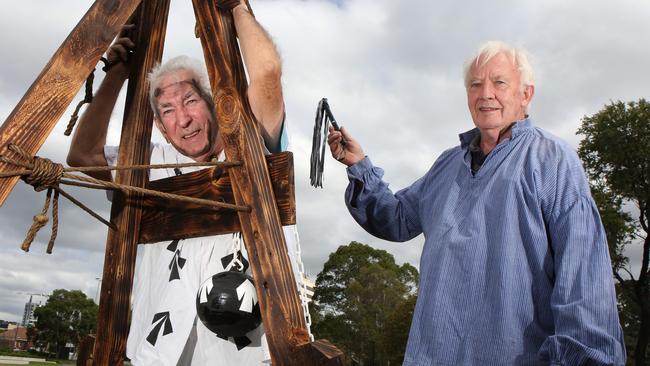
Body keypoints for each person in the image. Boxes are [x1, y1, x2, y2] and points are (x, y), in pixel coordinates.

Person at [327, 41, 626, 365]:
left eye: (499, 82)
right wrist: (359, 165)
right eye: (475, 84)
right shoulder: (446, 165)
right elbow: (396, 218)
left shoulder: (554, 161)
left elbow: (585, 296)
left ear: (525, 95)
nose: (485, 93)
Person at [67, 1, 304, 364]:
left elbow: (268, 72)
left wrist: (238, 8)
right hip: (158, 356)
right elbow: (83, 157)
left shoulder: (254, 143)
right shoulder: (151, 162)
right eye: (168, 111)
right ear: (160, 126)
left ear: (212, 103)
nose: (184, 119)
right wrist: (116, 75)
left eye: (190, 101)